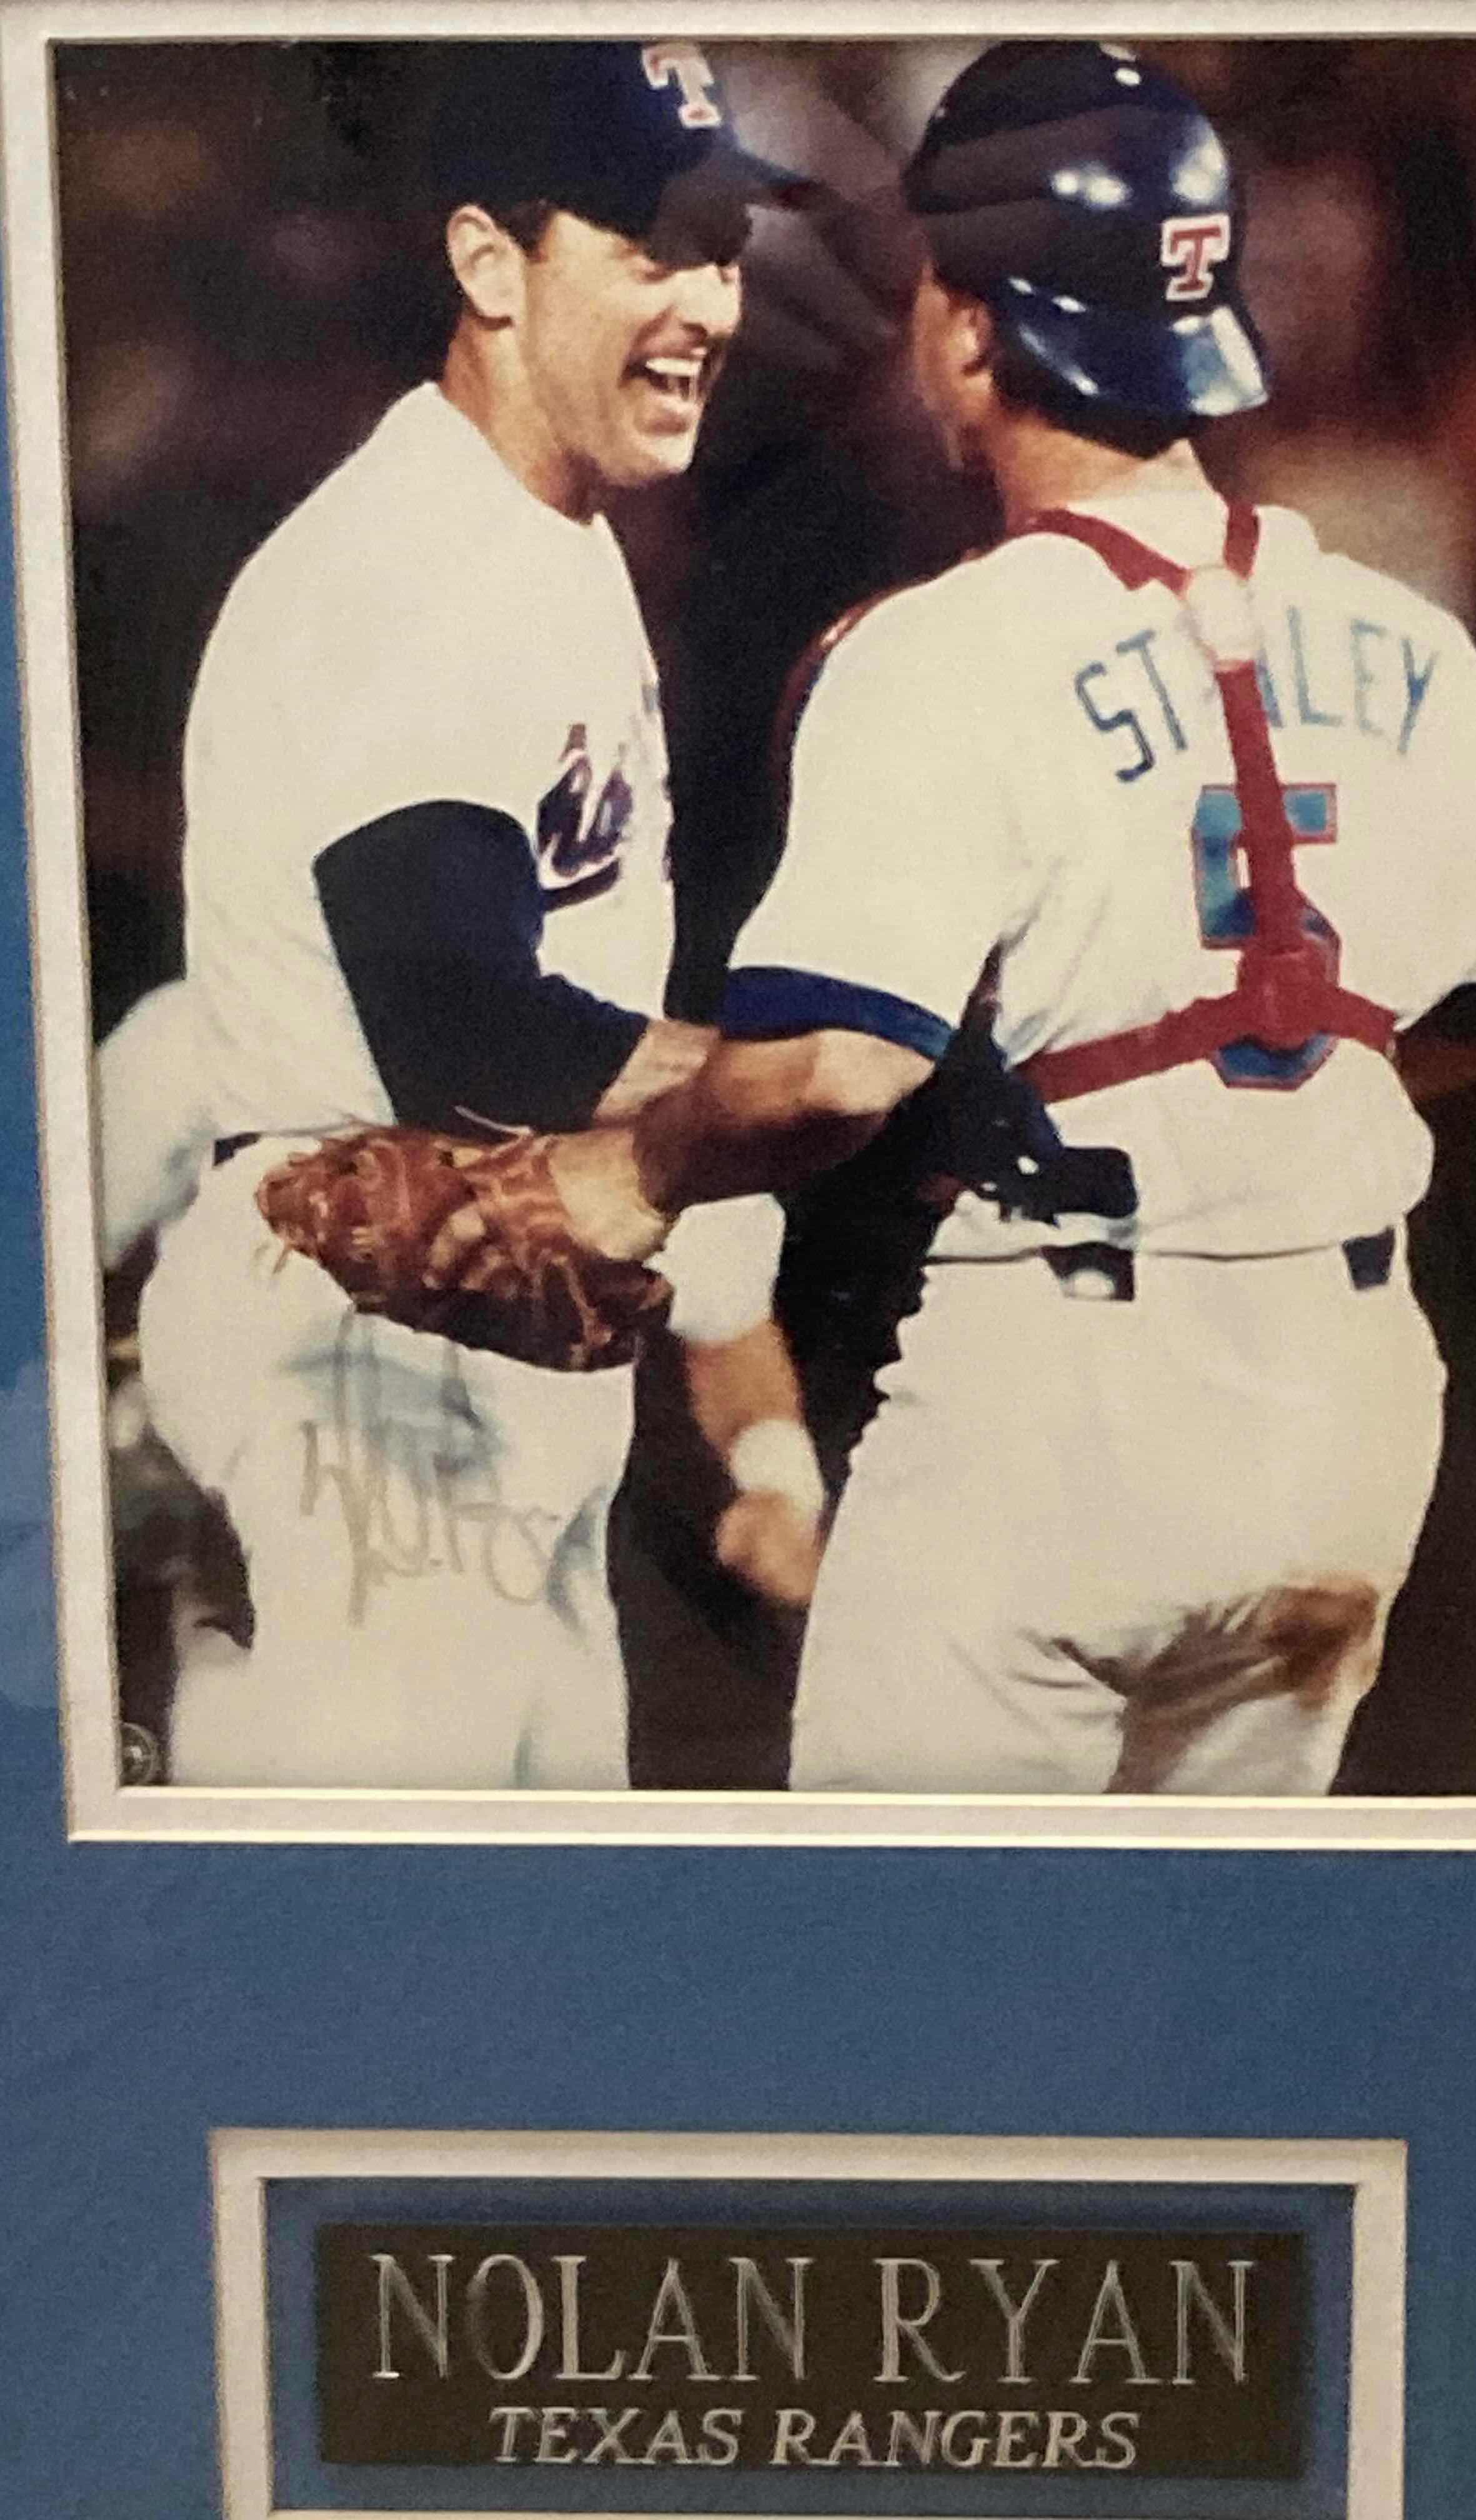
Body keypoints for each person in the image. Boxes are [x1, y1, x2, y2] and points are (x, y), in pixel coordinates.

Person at [542, 39, 1476, 1798]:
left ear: (975, 333)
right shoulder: (1424, 652)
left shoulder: (944, 649)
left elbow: (827, 1069)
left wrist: (624, 1173)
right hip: (1355, 1403)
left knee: (905, 1993)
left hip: (1065, 1396)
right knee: (1201, 2000)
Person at [135, 40, 824, 1790]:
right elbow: (460, 1016)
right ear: (489, 267)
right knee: (365, 1961)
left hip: (479, 1356)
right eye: (651, 247)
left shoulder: (551, 540)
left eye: (725, 248)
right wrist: (795, 1081)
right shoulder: (408, 563)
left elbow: (578, 1017)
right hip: (364, 1340)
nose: (708, 301)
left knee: (519, 1960)